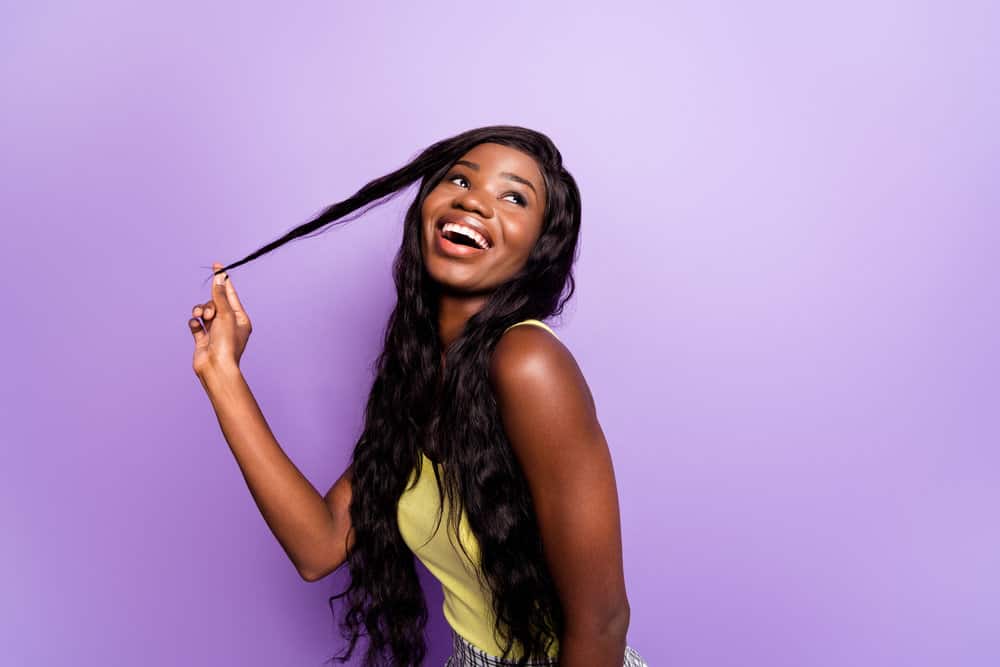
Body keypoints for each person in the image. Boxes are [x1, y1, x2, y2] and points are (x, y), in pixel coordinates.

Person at [188, 126, 649, 666]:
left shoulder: (528, 364)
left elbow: (601, 622)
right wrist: (222, 374)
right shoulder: (418, 378)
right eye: (459, 179)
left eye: (513, 196)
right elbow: (319, 546)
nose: (474, 199)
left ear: (538, 250)